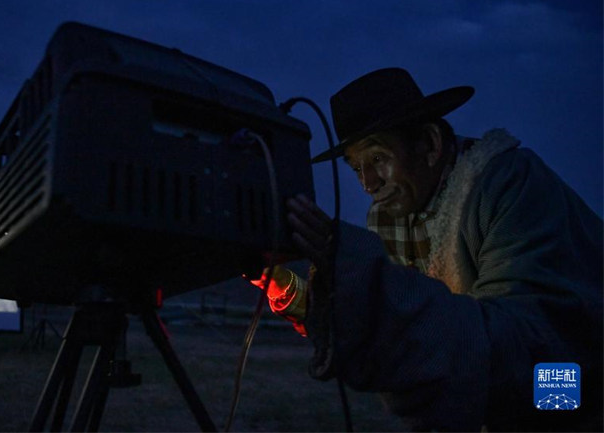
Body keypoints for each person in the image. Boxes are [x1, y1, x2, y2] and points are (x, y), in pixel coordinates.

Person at [253, 68, 603, 431]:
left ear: (430, 144)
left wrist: (358, 268)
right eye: (356, 167)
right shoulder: (393, 216)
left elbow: (529, 349)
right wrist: (293, 291)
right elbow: (398, 322)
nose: (368, 183)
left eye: (377, 158)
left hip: (575, 394)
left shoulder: (509, 185)